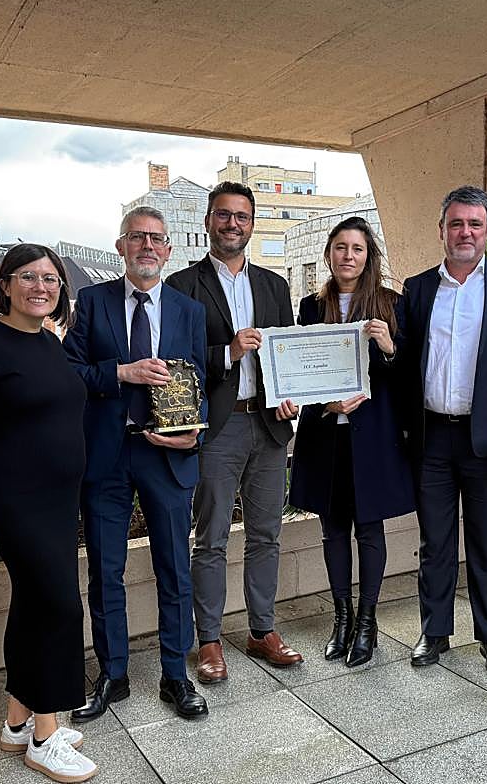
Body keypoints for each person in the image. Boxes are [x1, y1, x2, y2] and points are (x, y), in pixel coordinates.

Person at [0, 244, 96, 783]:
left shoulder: (51, 344)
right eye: (27, 277)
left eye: (51, 278)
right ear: (4, 285)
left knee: (32, 608)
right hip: (14, 502)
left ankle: (14, 723)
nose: (40, 286)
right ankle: (45, 736)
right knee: (57, 608)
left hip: (57, 503)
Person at [64, 206, 209, 721]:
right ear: (122, 246)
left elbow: (200, 383)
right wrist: (121, 372)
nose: (148, 246)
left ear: (169, 251)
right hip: (107, 454)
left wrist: (193, 430)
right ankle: (114, 674)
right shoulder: (91, 301)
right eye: (137, 237)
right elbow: (69, 372)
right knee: (106, 570)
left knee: (174, 567)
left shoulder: (188, 311)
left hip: (166, 456)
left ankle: (176, 674)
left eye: (157, 239)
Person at [165, 181, 303, 683]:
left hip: (268, 425)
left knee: (267, 533)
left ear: (252, 223)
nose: (232, 224)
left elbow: (287, 356)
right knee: (212, 538)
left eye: (242, 216)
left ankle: (262, 629)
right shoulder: (182, 287)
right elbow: (176, 363)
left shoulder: (274, 286)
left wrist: (291, 396)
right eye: (223, 215)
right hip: (219, 427)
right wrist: (228, 352)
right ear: (207, 221)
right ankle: (209, 640)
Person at [397, 186, 487, 676]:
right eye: (456, 224)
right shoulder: (416, 289)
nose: (465, 233)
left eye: (475, 224)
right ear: (442, 231)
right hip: (431, 437)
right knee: (435, 541)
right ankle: (434, 633)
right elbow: (405, 360)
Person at [289, 217, 416, 667]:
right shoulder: (309, 307)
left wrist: (389, 348)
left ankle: (367, 623)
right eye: (340, 247)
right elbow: (304, 371)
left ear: (368, 256)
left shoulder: (391, 304)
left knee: (369, 528)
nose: (348, 256)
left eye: (357, 248)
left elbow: (408, 379)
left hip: (373, 438)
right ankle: (341, 619)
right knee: (332, 527)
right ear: (328, 254)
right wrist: (327, 404)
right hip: (326, 436)